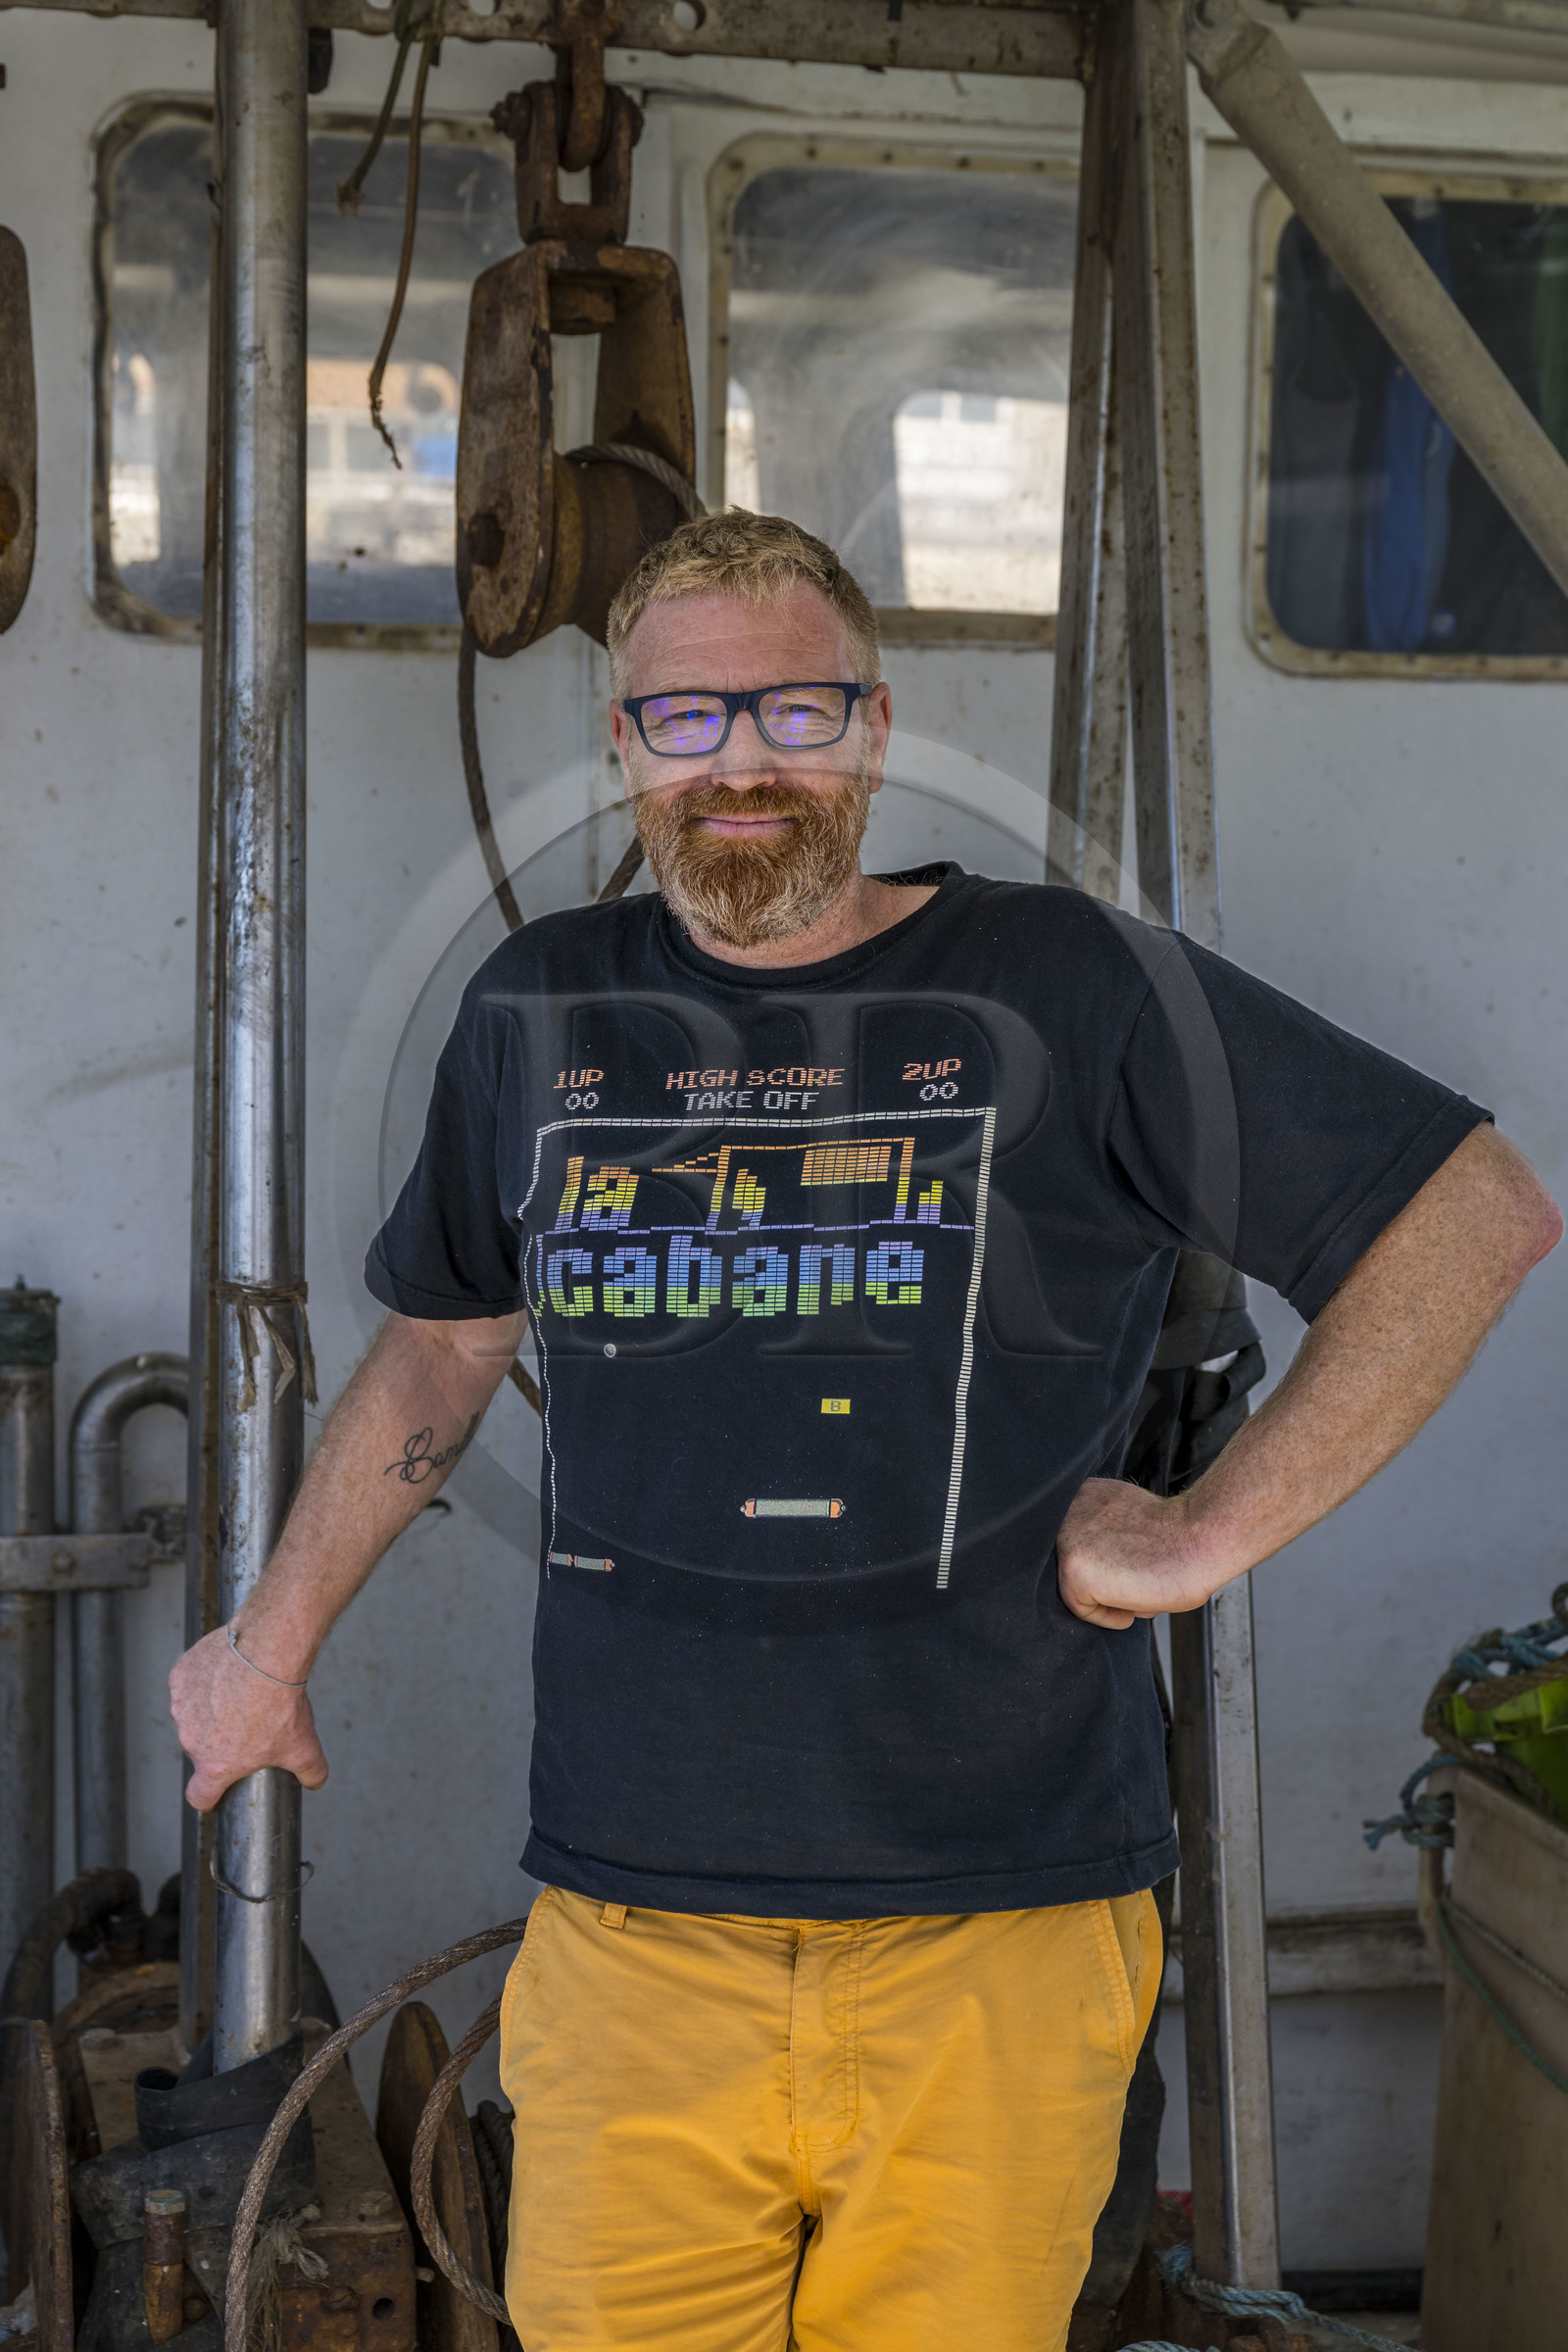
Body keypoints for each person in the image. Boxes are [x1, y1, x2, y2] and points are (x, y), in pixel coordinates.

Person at [171, 511, 1559, 2352]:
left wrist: (1206, 1527)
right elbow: (441, 1354)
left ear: (878, 730)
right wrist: (272, 1645)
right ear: (621, 749)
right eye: (686, 718)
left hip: (1005, 1926)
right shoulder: (533, 1011)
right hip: (634, 1921)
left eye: (795, 709)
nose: (742, 758)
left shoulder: (1079, 988)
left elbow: (1468, 1215)